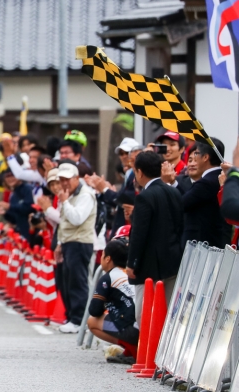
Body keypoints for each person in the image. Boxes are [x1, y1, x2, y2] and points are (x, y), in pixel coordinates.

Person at [126, 151, 183, 320]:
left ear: (140, 172)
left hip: (149, 265)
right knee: (169, 312)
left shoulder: (145, 196)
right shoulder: (174, 192)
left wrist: (132, 262)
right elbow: (180, 226)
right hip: (173, 260)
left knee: (145, 315)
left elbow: (139, 233)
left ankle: (149, 347)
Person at [53, 162, 97, 334]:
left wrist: (64, 202)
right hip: (68, 242)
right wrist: (59, 244)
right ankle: (72, 316)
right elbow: (63, 223)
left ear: (76, 178)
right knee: (68, 281)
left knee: (78, 282)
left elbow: (77, 218)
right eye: (62, 180)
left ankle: (79, 320)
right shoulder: (69, 195)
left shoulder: (85, 195)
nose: (64, 183)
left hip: (80, 242)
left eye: (67, 179)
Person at [87, 237, 138, 362]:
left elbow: (94, 310)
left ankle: (132, 348)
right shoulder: (131, 273)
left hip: (133, 332)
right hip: (144, 327)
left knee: (92, 322)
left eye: (103, 254)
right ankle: (130, 350)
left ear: (108, 259)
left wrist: (105, 303)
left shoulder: (108, 277)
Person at [175, 139, 230, 249]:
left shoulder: (207, 182)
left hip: (202, 246)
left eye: (196, 153)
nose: (194, 157)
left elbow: (182, 204)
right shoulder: (219, 177)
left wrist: (172, 184)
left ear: (205, 157)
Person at [0, 170, 35, 242]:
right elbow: (14, 220)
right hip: (20, 233)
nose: (10, 178)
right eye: (7, 176)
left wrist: (10, 207)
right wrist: (5, 213)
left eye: (12, 175)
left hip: (31, 232)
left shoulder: (28, 188)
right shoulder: (13, 194)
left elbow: (29, 208)